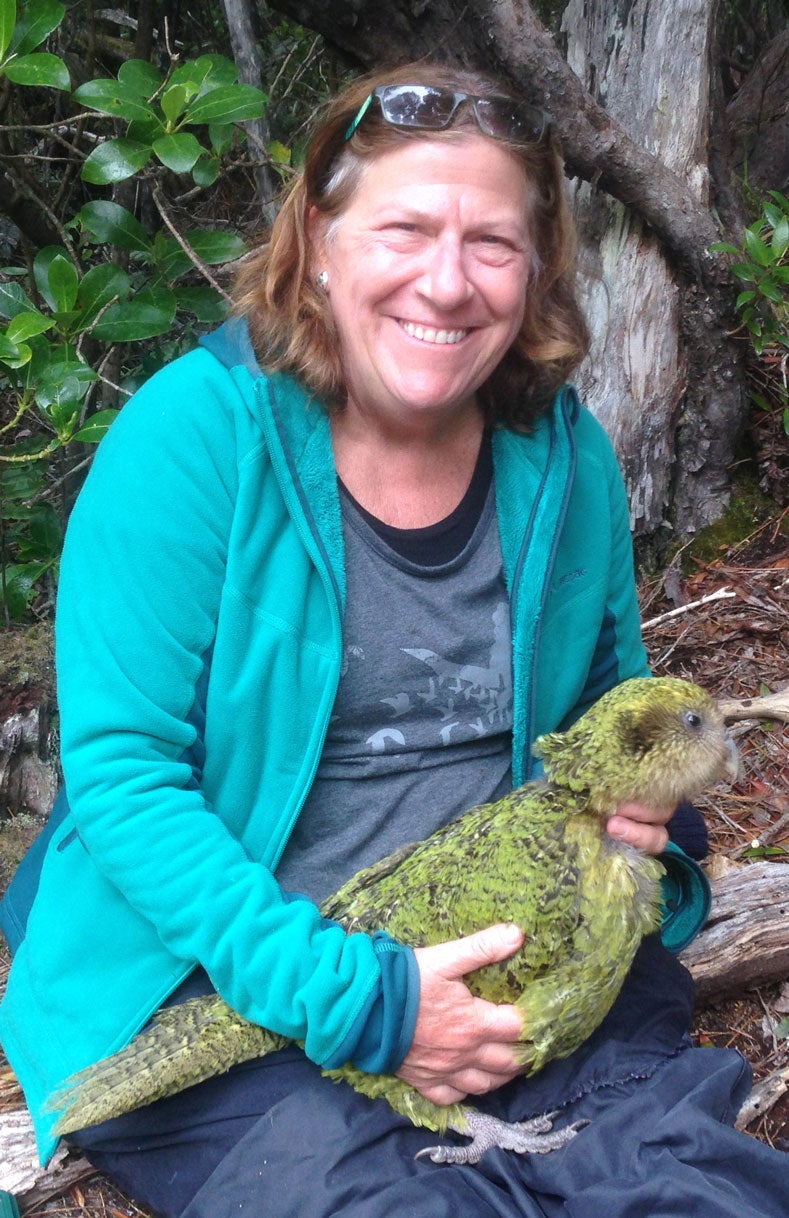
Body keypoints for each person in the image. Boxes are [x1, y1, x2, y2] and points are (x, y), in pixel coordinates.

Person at [1, 60, 786, 1218]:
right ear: (319, 242)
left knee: (695, 1187)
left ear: (538, 269)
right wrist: (369, 1003)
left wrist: (644, 819)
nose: (448, 282)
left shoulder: (563, 460)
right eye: (406, 229)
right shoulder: (193, 443)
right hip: (233, 989)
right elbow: (126, 780)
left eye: (492, 243)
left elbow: (607, 706)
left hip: (522, 952)